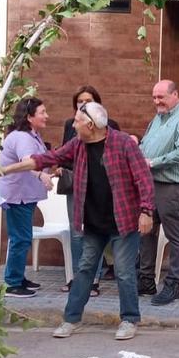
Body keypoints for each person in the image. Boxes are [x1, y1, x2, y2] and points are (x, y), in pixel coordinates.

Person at [2, 102, 154, 340]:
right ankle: (71, 319)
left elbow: (144, 179)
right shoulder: (78, 145)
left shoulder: (123, 143)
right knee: (84, 269)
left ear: (90, 125)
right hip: (93, 222)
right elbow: (46, 158)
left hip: (122, 221)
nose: (73, 125)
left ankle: (130, 319)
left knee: (124, 272)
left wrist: (146, 212)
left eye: (77, 121)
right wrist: (6, 169)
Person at [138, 80, 179, 305]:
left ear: (175, 94)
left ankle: (173, 285)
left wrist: (153, 162)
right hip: (150, 185)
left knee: (175, 236)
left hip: (172, 187)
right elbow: (145, 145)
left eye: (161, 97)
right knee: (145, 232)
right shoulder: (157, 119)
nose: (157, 102)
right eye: (154, 97)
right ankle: (146, 280)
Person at [60, 86, 121, 296]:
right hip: (75, 184)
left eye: (88, 100)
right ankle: (78, 278)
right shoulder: (70, 124)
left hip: (98, 189)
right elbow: (63, 153)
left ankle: (93, 280)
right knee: (76, 233)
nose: (83, 104)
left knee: (96, 232)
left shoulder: (109, 126)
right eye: (79, 101)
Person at [0, 98, 54, 298]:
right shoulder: (22, 137)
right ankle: (12, 283)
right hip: (17, 195)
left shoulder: (32, 135)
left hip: (25, 196)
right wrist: (41, 175)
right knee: (20, 239)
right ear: (29, 117)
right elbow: (28, 162)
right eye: (42, 112)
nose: (46, 116)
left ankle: (18, 277)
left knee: (22, 237)